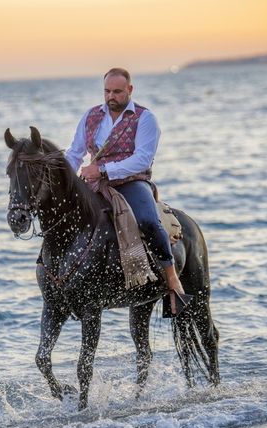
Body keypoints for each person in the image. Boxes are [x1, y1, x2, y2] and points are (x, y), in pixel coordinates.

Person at [65, 67, 186, 297]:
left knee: (147, 221)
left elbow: (142, 160)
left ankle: (171, 277)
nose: (111, 96)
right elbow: (74, 153)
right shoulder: (90, 116)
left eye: (118, 92)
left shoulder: (145, 118)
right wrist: (63, 179)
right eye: (107, 91)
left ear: (130, 90)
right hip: (94, 184)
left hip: (132, 182)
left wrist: (102, 170)